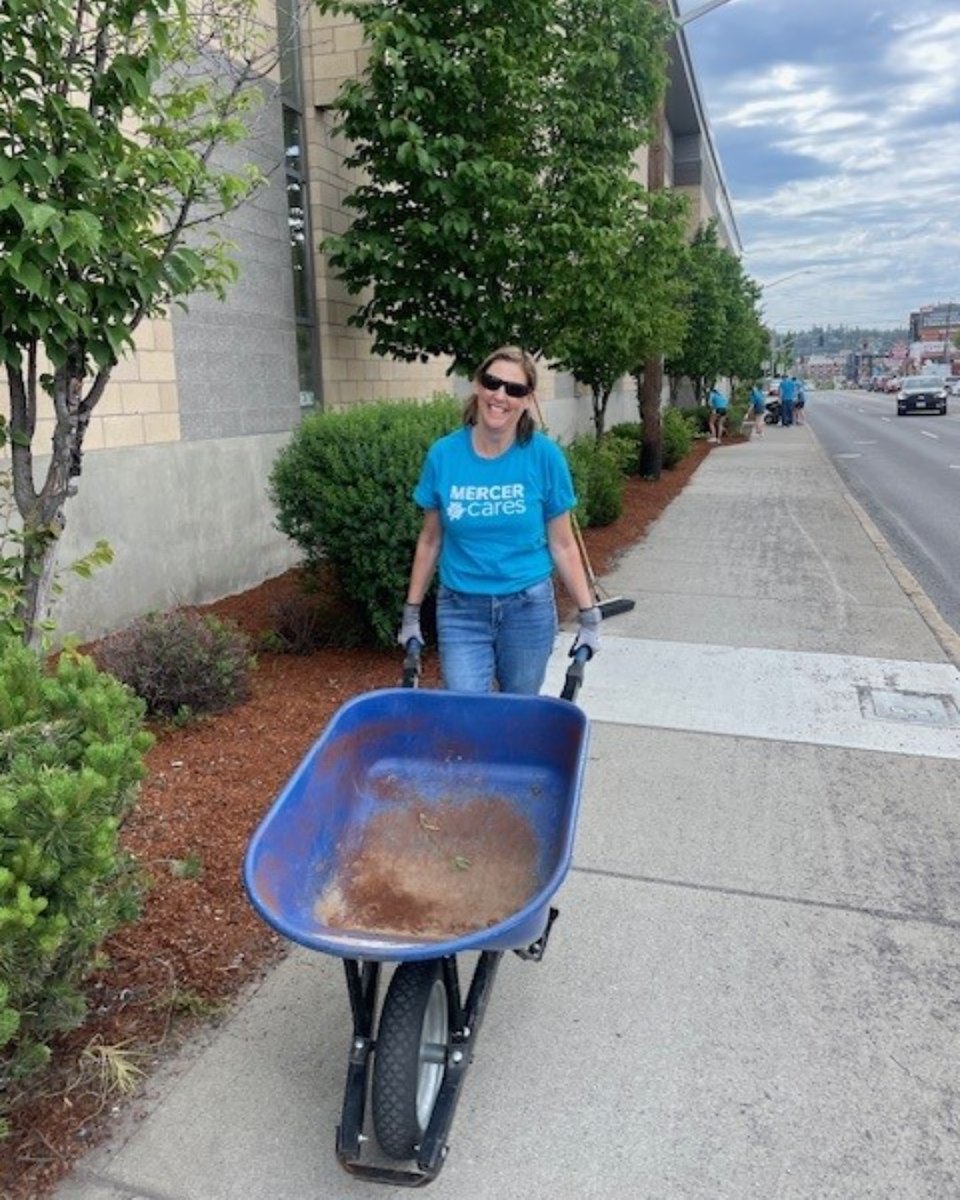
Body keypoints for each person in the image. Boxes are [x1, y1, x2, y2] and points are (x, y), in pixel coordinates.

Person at [397, 346, 600, 695]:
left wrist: (589, 615)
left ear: (526, 400)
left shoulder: (544, 456)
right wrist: (411, 612)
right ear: (478, 385)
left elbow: (563, 544)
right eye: (493, 383)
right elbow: (431, 540)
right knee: (466, 710)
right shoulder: (444, 455)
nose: (500, 395)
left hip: (527, 608)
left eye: (515, 389)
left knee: (518, 712)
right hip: (461, 609)